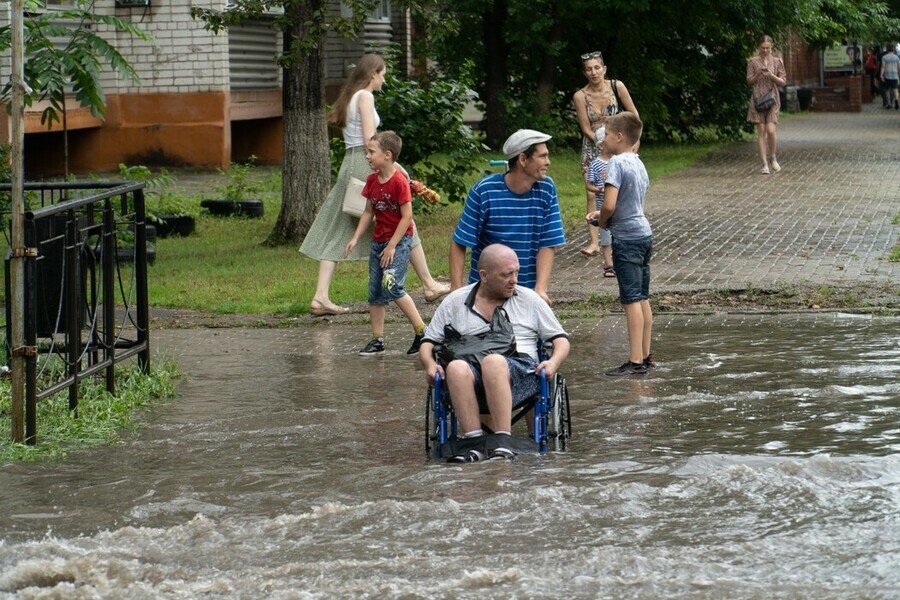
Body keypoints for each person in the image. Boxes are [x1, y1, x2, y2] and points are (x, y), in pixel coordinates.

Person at [300, 53, 449, 317]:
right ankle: (428, 284)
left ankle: (321, 297)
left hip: (352, 162)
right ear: (373, 73)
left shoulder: (351, 96)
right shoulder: (366, 97)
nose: (383, 80)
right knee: (399, 219)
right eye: (382, 75)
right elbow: (372, 141)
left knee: (338, 228)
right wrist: (396, 168)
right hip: (365, 163)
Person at [420, 244, 570, 462]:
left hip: (521, 377)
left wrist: (553, 363)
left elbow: (561, 340)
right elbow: (428, 342)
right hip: (470, 376)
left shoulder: (528, 299)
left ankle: (502, 442)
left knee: (493, 362)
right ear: (484, 275)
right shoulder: (455, 301)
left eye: (516, 272)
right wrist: (428, 364)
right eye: (506, 275)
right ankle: (474, 444)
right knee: (455, 367)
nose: (514, 280)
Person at [449, 129, 566, 305]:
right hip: (486, 294)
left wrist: (540, 290)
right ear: (523, 159)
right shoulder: (484, 191)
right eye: (542, 156)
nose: (548, 162)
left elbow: (548, 242)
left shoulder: (546, 189)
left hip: (525, 292)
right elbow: (460, 242)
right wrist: (456, 293)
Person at [344, 131, 426, 356]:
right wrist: (355, 238)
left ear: (387, 155)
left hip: (398, 243)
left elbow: (407, 217)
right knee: (375, 292)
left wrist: (392, 246)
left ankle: (422, 332)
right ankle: (377, 340)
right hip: (378, 242)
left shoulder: (399, 182)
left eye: (371, 152)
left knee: (393, 287)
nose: (368, 157)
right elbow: (368, 211)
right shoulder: (372, 180)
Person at [586, 112, 654, 376]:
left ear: (619, 136)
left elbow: (610, 203)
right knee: (643, 297)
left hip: (626, 238)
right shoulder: (638, 162)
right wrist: (603, 217)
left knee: (631, 299)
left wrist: (602, 221)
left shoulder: (615, 164)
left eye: (605, 133)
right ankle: (647, 355)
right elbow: (628, 201)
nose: (602, 140)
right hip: (644, 234)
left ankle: (635, 361)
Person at [573, 50, 638, 258]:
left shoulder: (616, 86)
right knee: (593, 192)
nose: (594, 72)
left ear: (604, 69)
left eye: (597, 68)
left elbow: (634, 116)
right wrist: (601, 143)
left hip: (619, 144)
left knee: (620, 190)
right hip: (593, 146)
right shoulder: (580, 96)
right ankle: (594, 241)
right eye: (589, 69)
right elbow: (585, 128)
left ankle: (622, 234)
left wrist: (633, 141)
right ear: (584, 73)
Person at [746, 35, 787, 175]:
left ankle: (773, 157)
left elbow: (783, 81)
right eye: (762, 48)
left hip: (772, 98)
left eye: (768, 48)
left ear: (772, 47)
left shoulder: (777, 61)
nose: (765, 51)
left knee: (771, 130)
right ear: (759, 47)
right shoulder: (752, 62)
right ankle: (764, 164)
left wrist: (771, 75)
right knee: (761, 132)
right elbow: (749, 81)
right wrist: (758, 75)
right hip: (758, 99)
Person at [585, 126, 615, 278]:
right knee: (605, 236)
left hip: (617, 205)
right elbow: (588, 184)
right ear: (602, 145)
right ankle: (608, 265)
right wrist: (599, 190)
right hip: (602, 206)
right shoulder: (595, 164)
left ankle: (618, 262)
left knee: (617, 234)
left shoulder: (618, 161)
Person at [879, 45, 899, 110]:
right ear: (893, 50)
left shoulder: (884, 57)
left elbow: (883, 67)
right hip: (895, 76)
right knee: (895, 90)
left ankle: (889, 104)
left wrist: (881, 75)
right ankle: (896, 101)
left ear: (887, 50)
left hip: (887, 76)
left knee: (887, 90)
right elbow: (899, 67)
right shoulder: (897, 57)